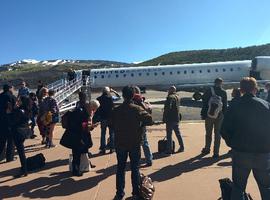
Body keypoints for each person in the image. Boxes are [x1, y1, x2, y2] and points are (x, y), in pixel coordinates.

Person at [221, 77, 270, 200]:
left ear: (241, 90)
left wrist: (233, 143)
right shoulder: (265, 105)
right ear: (255, 89)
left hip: (241, 153)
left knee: (238, 188)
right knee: (266, 187)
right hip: (263, 154)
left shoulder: (234, 105)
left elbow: (224, 130)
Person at [111, 86, 153, 200]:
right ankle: (135, 193)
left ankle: (119, 194)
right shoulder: (137, 109)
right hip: (134, 142)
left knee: (120, 168)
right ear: (133, 95)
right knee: (135, 168)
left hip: (120, 143)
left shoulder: (117, 110)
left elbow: (111, 123)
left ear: (123, 95)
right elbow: (150, 120)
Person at [67, 100, 100, 176]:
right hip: (78, 135)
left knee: (84, 150)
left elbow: (85, 126)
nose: (94, 111)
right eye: (94, 109)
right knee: (77, 153)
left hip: (79, 134)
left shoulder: (85, 111)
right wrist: (91, 126)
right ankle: (76, 170)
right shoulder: (83, 112)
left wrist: (91, 126)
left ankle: (86, 163)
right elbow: (82, 126)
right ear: (91, 107)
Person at [201, 78, 227, 158]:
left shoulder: (209, 90)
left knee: (208, 133)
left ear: (214, 82)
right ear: (221, 83)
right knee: (217, 134)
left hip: (209, 114)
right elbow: (225, 105)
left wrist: (203, 114)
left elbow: (204, 102)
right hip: (219, 115)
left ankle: (207, 148)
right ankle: (216, 152)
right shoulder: (223, 92)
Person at [10, 96, 32, 178]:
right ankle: (24, 168)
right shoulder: (27, 110)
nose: (17, 101)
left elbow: (13, 121)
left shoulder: (18, 111)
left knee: (21, 151)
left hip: (17, 132)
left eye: (19, 100)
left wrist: (11, 111)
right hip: (24, 131)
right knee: (21, 150)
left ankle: (24, 169)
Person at [132, 86, 153, 166]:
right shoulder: (141, 100)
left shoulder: (133, 100)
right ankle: (149, 159)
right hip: (142, 124)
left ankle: (137, 160)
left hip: (134, 124)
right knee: (145, 142)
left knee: (136, 144)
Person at [96, 87, 120, 154]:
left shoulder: (98, 99)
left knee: (103, 134)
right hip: (111, 118)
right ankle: (112, 148)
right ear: (108, 91)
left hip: (103, 118)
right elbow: (119, 97)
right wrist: (114, 91)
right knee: (112, 133)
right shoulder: (111, 98)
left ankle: (103, 148)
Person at [163, 85, 184, 154]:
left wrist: (164, 117)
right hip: (176, 118)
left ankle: (169, 150)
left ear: (170, 90)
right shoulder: (177, 97)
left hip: (170, 118)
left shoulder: (170, 97)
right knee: (178, 133)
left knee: (169, 135)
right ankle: (182, 146)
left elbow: (167, 108)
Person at [0, 84, 16, 162]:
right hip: (10, 121)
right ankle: (10, 157)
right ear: (10, 88)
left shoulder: (0, 96)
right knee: (11, 140)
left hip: (1, 121)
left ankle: (0, 157)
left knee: (2, 140)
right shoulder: (11, 97)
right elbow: (15, 109)